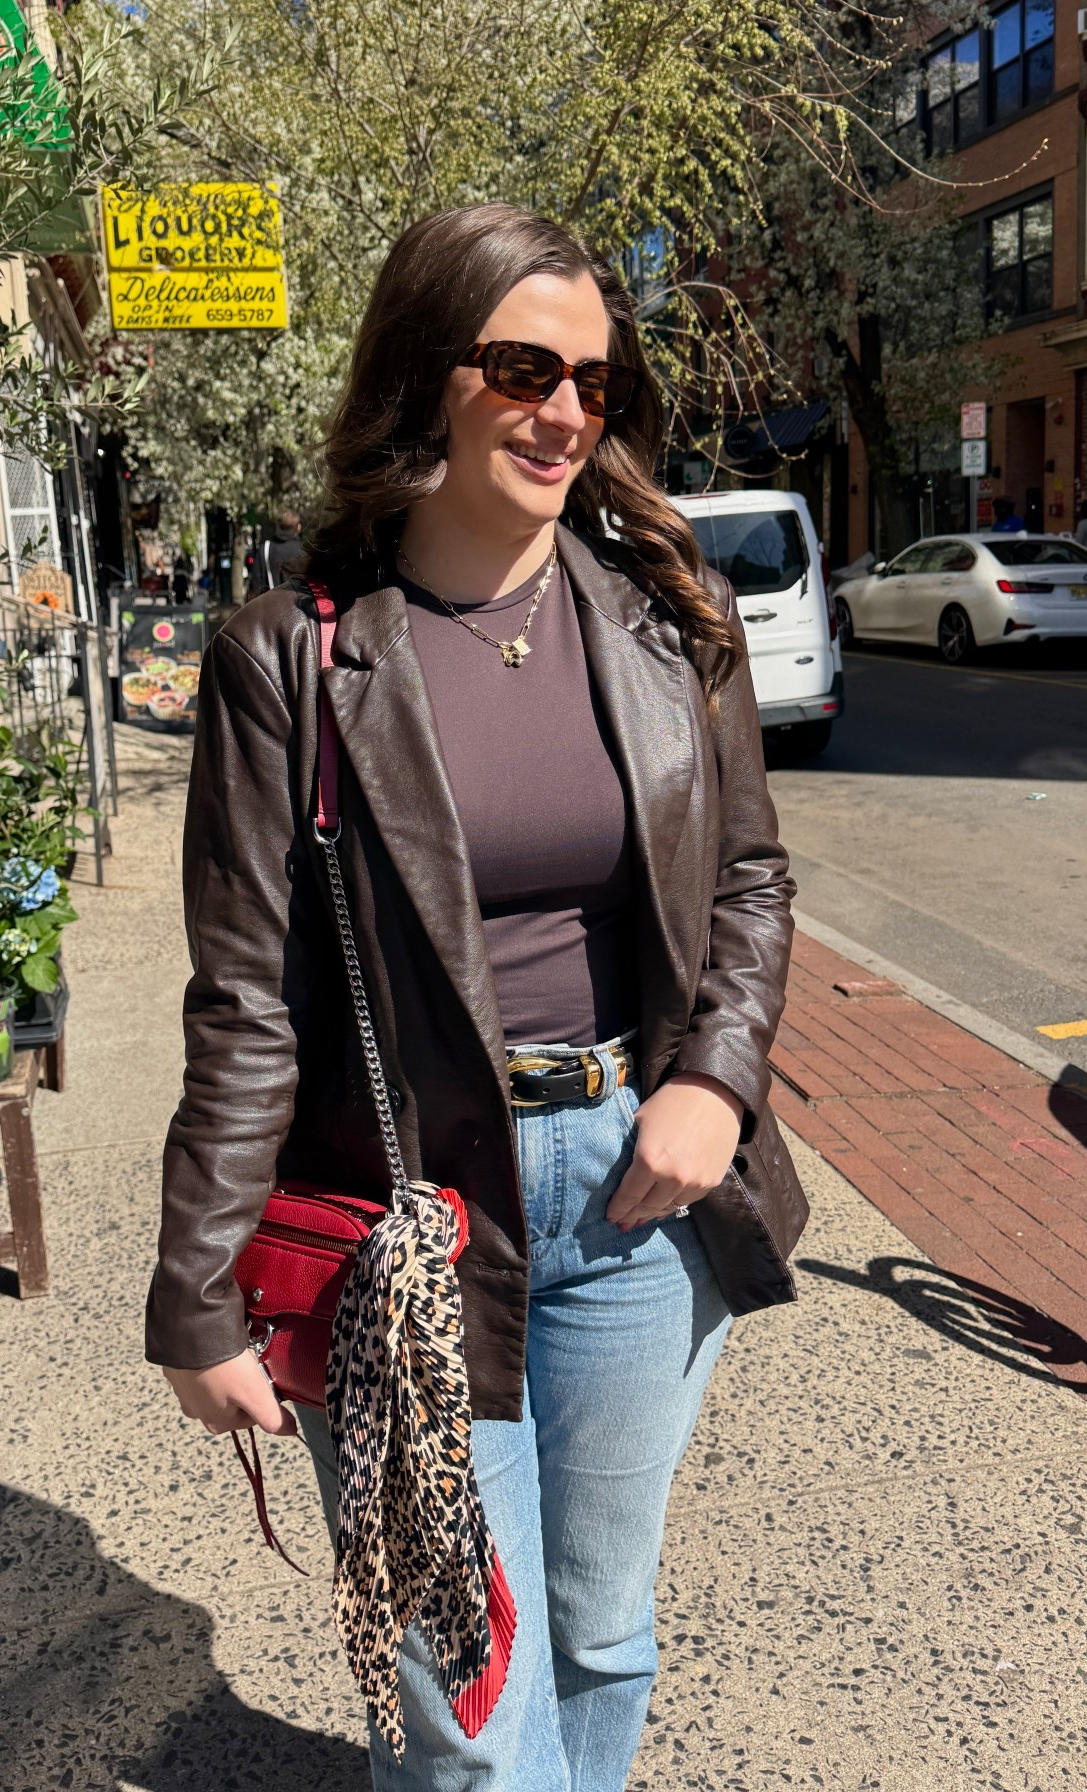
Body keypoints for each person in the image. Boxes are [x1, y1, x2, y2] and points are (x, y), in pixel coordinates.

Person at [146, 203, 808, 1791]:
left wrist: (713, 1079)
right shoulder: (286, 662)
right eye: (525, 367)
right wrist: (199, 1280)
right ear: (428, 374)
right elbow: (247, 995)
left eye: (597, 379)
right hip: (408, 1224)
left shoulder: (669, 622)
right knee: (462, 1688)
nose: (568, 410)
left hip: (634, 1197)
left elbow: (752, 884)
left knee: (600, 1624)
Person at [264, 507, 307, 587]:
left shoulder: (265, 549)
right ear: (299, 527)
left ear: (277, 525)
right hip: (300, 598)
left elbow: (256, 584)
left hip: (271, 598)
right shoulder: (305, 551)